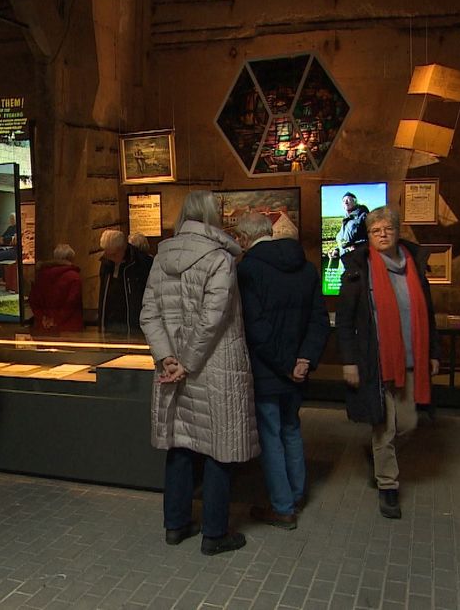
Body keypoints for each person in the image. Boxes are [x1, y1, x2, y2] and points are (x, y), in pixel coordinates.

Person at [139, 190, 256, 556]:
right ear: (211, 216)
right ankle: (215, 533)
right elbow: (214, 318)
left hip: (175, 369)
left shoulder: (161, 259)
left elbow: (148, 314)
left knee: (180, 445)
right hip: (214, 367)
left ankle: (175, 525)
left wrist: (168, 358)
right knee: (219, 447)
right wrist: (186, 361)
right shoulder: (220, 259)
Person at [337, 207, 440, 519]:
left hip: (412, 360)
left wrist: (433, 352)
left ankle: (379, 457)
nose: (382, 235)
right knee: (384, 427)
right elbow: (344, 321)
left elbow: (429, 316)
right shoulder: (360, 270)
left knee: (407, 425)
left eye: (387, 229)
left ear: (398, 232)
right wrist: (349, 361)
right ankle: (388, 487)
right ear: (368, 236)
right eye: (375, 231)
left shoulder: (414, 268)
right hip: (375, 362)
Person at [235, 213, 330, 530]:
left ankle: (282, 506)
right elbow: (319, 320)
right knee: (291, 429)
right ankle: (297, 492)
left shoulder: (248, 270)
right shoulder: (307, 267)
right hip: (297, 371)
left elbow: (257, 328)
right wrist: (304, 360)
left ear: (244, 240)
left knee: (271, 435)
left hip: (268, 371)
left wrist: (285, 366)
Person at [99, 229, 153, 336]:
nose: (110, 258)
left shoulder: (141, 264)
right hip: (110, 322)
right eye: (107, 254)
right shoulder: (107, 263)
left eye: (113, 255)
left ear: (123, 248)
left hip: (133, 324)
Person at [29, 244, 83, 332]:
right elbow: (71, 303)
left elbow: (33, 301)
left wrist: (43, 318)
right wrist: (56, 320)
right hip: (68, 328)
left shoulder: (41, 276)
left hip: (43, 328)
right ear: (71, 259)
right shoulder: (74, 277)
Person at [327, 192, 369, 259]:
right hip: (345, 263)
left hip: (358, 262)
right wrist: (337, 250)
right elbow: (344, 241)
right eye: (343, 201)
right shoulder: (345, 220)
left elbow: (371, 239)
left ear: (355, 202)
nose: (345, 202)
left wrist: (356, 247)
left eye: (348, 200)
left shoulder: (363, 216)